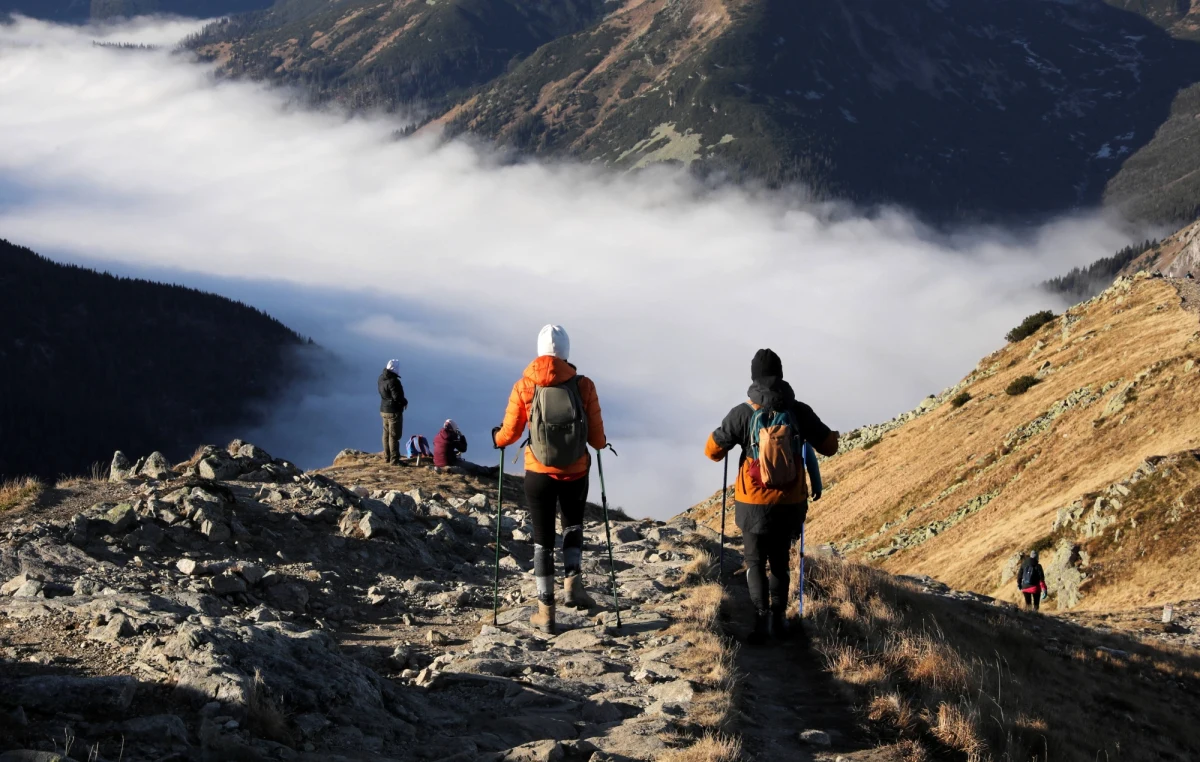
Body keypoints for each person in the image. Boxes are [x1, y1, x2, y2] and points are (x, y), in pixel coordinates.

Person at [705, 348, 839, 644]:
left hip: (751, 502)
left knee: (754, 562)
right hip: (790, 503)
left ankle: (761, 621)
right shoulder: (798, 411)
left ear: (754, 376)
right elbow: (829, 446)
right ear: (780, 374)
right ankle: (780, 621)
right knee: (780, 561)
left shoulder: (743, 412)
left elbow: (712, 452)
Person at [492, 325, 606, 634]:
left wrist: (497, 438)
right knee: (572, 527)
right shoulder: (584, 385)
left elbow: (510, 433)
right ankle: (574, 588)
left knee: (542, 541)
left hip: (538, 473)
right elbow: (596, 439)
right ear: (567, 352)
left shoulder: (525, 386)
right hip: (576, 471)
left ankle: (546, 612)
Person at [378, 359, 407, 465]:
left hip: (384, 409)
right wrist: (404, 402)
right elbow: (397, 397)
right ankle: (394, 460)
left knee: (386, 434)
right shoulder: (394, 381)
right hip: (393, 411)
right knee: (394, 435)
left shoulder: (381, 378)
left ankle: (387, 457)